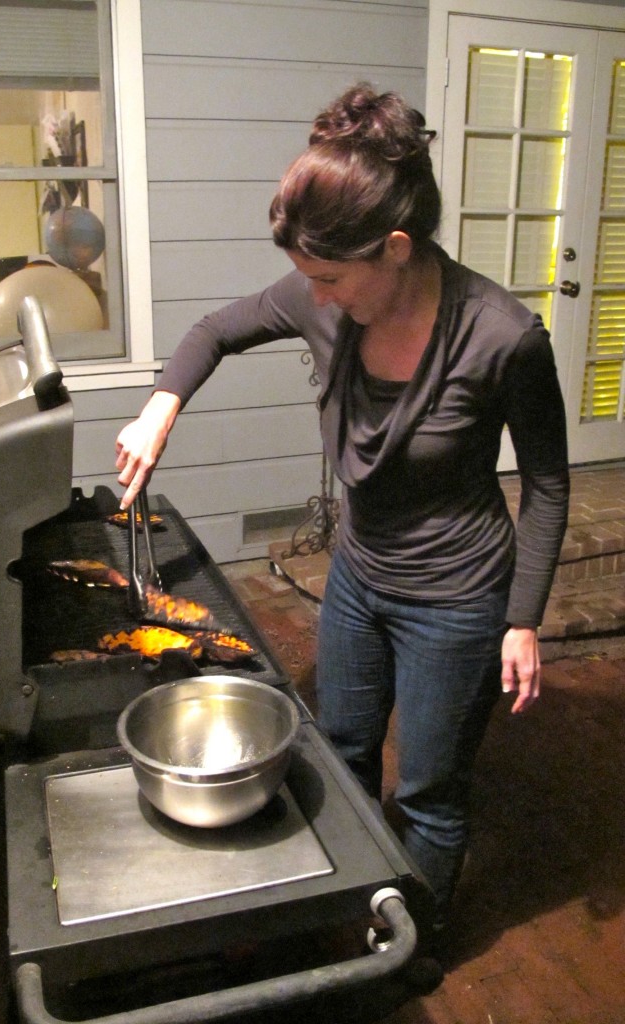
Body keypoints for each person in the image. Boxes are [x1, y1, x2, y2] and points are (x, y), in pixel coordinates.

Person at [115, 84, 570, 952]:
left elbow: (546, 483)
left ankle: (414, 950)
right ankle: (349, 919)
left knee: (430, 791)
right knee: (345, 751)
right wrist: (158, 410)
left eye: (328, 278)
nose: (313, 298)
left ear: (394, 248)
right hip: (362, 578)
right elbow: (215, 330)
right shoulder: (322, 300)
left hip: (460, 598)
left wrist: (523, 618)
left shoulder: (503, 336)